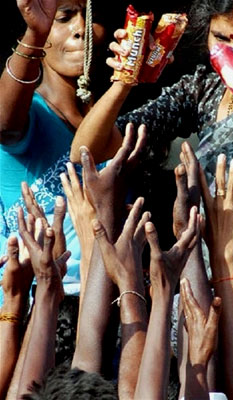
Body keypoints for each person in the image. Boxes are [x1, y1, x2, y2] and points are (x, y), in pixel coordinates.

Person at [70, 0, 233, 386]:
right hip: (207, 290)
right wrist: (123, 82)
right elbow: (91, 152)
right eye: (220, 38)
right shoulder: (203, 87)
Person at [0, 0, 123, 303]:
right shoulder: (29, 115)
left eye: (89, 17)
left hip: (102, 301)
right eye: (64, 17)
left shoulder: (111, 121)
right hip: (37, 308)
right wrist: (34, 35)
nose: (81, 29)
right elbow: (5, 125)